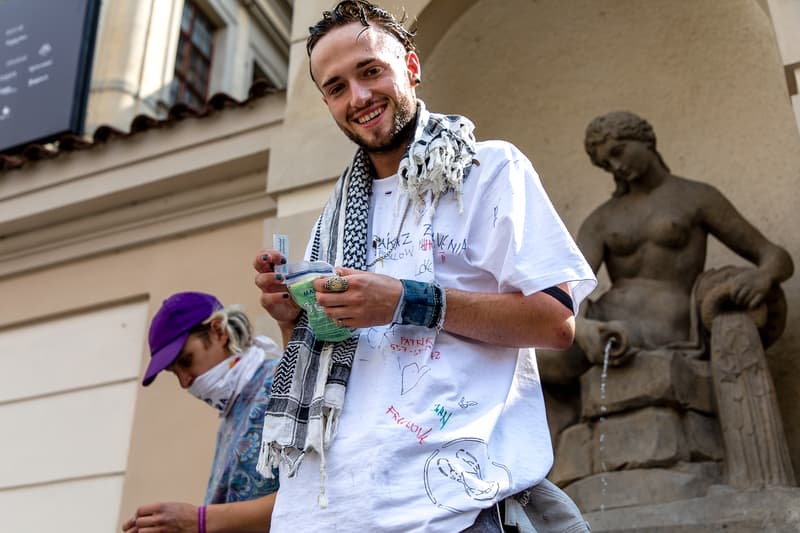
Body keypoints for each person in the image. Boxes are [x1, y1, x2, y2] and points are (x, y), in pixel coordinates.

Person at [252, 2, 597, 532]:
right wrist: (290, 316)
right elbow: (332, 356)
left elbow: (555, 321)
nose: (359, 98)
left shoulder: (490, 169)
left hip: (454, 509)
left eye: (371, 71)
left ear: (410, 66)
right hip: (329, 512)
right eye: (337, 87)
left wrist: (406, 300)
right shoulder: (335, 216)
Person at [536, 110, 794, 383]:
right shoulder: (601, 219)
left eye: (618, 152)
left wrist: (762, 277)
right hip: (605, 320)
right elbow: (566, 293)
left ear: (645, 140)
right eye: (606, 164)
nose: (616, 166)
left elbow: (775, 256)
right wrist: (582, 329)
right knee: (532, 356)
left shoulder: (696, 197)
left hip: (663, 322)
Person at [122, 291, 281, 533]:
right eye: (175, 373)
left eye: (186, 361)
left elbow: (314, 494)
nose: (185, 382)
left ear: (218, 331)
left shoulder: (281, 383)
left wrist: (197, 520)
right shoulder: (231, 414)